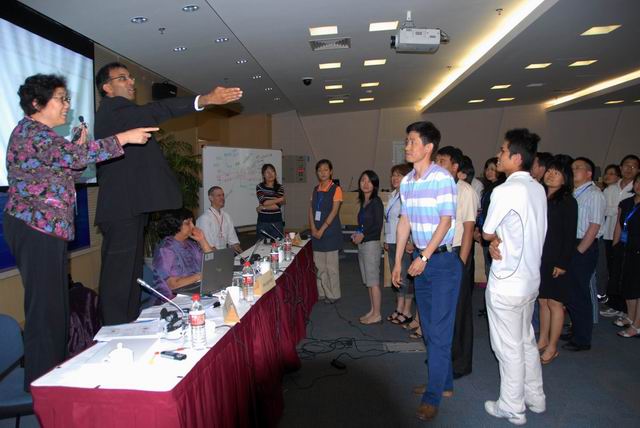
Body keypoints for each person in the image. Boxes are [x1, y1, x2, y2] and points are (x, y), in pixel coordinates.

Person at [3, 73, 156, 390]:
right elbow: (74, 159)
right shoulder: (32, 132)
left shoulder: (43, 137)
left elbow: (68, 169)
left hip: (46, 228)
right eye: (61, 99)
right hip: (35, 226)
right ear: (37, 103)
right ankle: (43, 385)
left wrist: (78, 148)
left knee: (54, 306)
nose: (67, 106)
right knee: (45, 309)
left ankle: (52, 374)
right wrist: (124, 137)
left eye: (67, 99)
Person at [94, 62, 242, 326]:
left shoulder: (124, 114)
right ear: (107, 88)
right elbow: (156, 110)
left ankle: (127, 326)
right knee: (118, 280)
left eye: (131, 77)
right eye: (122, 78)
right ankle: (112, 332)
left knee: (130, 277)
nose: (131, 82)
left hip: (131, 208)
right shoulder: (111, 109)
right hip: (120, 208)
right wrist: (204, 99)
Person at [392, 121, 462, 421]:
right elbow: (404, 222)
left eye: (412, 141)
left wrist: (424, 255)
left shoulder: (442, 178)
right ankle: (442, 383)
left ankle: (433, 396)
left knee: (440, 331)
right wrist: (398, 261)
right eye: (407, 141)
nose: (407, 146)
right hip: (420, 262)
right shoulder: (408, 182)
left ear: (428, 147)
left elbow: (446, 221)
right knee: (430, 330)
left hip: (442, 262)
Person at [482, 128, 547, 425]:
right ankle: (536, 397)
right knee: (525, 341)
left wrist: (493, 239)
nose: (499, 155)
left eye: (503, 151)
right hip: (530, 279)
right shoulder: (537, 188)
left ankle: (512, 407)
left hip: (507, 282)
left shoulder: (505, 190)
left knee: (508, 347)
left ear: (517, 158)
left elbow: (487, 231)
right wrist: (498, 239)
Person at [436, 146, 479, 379]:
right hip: (437, 254)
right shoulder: (436, 189)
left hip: (456, 254)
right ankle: (441, 356)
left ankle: (459, 363)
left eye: (442, 161)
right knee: (440, 310)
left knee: (459, 312)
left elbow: (469, 229)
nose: (437, 165)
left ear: (455, 167)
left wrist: (460, 265)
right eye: (437, 161)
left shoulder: (466, 191)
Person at [562, 157, 606, 352]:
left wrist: (579, 252)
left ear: (589, 173)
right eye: (572, 167)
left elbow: (594, 226)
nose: (573, 170)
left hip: (583, 246)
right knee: (571, 292)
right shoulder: (573, 193)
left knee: (580, 293)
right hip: (572, 243)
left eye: (578, 168)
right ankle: (576, 329)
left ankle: (582, 339)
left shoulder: (594, 194)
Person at [537, 157, 578, 364]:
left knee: (555, 303)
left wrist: (562, 263)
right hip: (540, 256)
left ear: (565, 178)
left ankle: (553, 347)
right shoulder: (540, 196)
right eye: (549, 171)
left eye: (557, 172)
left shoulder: (568, 201)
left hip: (556, 258)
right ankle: (543, 339)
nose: (551, 175)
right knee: (542, 300)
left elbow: (570, 235)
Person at [600, 155, 639, 318]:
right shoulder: (610, 189)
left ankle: (625, 310)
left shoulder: (635, 189)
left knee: (627, 276)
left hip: (629, 242)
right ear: (621, 167)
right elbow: (603, 210)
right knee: (613, 272)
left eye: (633, 166)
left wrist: (612, 209)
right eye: (626, 165)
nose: (629, 169)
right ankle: (615, 304)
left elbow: (618, 212)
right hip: (609, 235)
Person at [152, 209, 213, 302]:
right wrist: (199, 276)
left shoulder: (191, 244)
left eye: (192, 222)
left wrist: (202, 240)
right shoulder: (165, 249)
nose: (193, 226)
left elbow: (212, 263)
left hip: (194, 294)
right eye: (188, 223)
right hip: (172, 302)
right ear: (175, 225)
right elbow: (173, 285)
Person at [609, 172, 640, 337]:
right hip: (624, 248)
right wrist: (615, 246)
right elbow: (619, 226)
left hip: (638, 250)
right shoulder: (626, 202)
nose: (639, 186)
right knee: (627, 285)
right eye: (638, 182)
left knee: (637, 287)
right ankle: (630, 316)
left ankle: (637, 325)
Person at [384, 164, 415, 326]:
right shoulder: (393, 195)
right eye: (393, 175)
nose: (395, 178)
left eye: (399, 175)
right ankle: (399, 307)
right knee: (396, 276)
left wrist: (410, 240)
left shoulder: (409, 195)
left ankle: (407, 311)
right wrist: (386, 238)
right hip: (392, 240)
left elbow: (412, 220)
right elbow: (389, 220)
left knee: (405, 277)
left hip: (404, 242)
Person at [352, 170, 384, 324]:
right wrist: (357, 233)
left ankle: (377, 314)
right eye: (363, 180)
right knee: (369, 281)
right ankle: (373, 310)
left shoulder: (376, 202)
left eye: (369, 181)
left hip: (371, 245)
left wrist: (363, 234)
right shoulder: (364, 202)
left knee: (373, 281)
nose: (365, 183)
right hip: (363, 244)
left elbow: (377, 225)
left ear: (374, 184)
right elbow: (364, 225)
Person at [309, 159, 343, 303]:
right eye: (320, 170)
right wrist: (313, 228)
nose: (322, 173)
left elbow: (334, 212)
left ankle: (334, 294)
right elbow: (311, 210)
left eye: (325, 170)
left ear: (331, 172)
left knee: (331, 267)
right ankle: (322, 291)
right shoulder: (315, 189)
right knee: (319, 266)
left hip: (330, 232)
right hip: (316, 232)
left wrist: (321, 229)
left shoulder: (336, 189)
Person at [196, 186, 241, 253]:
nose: (222, 198)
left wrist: (243, 255)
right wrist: (222, 257)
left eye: (223, 195)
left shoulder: (226, 216)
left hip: (223, 254)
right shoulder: (204, 219)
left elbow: (234, 242)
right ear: (211, 198)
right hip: (210, 255)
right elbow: (209, 247)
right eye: (219, 195)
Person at [256, 163, 286, 239]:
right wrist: (280, 199)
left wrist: (263, 207)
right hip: (263, 221)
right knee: (262, 245)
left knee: (278, 244)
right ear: (263, 175)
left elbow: (277, 206)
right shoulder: (259, 187)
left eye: (272, 171)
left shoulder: (280, 187)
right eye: (267, 172)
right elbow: (264, 201)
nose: (270, 174)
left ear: (275, 173)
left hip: (277, 221)